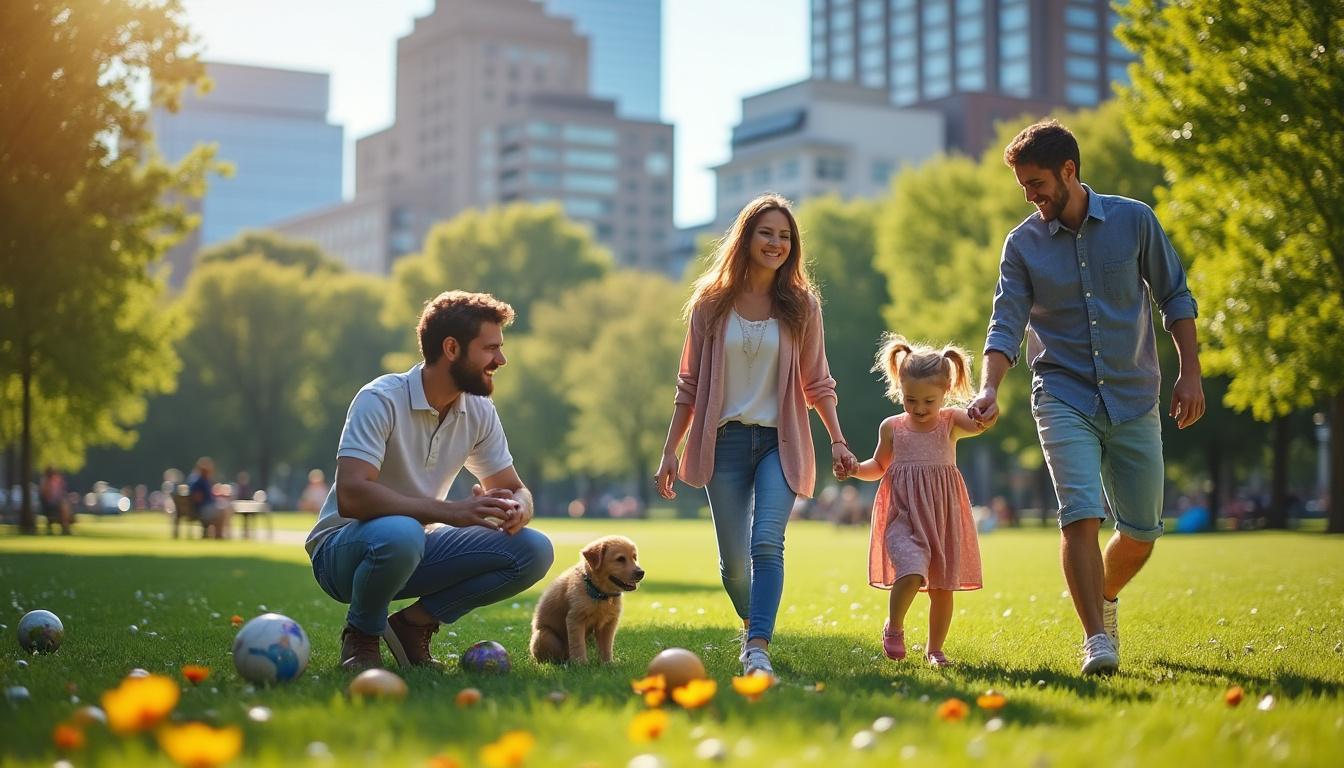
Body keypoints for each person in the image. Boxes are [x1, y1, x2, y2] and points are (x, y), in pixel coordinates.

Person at [968, 119, 1205, 675]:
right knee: (1080, 514)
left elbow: (1174, 295)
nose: (1030, 195)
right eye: (1023, 185)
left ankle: (1104, 594)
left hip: (1134, 393)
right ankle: (1096, 639)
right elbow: (1005, 323)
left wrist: (1190, 373)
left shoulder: (1134, 220)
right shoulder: (1022, 245)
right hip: (1062, 392)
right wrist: (989, 387)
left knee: (1141, 532)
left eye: (1036, 183)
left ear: (1069, 170)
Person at [654, 193, 859, 678]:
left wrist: (837, 438)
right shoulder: (710, 303)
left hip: (778, 444)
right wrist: (670, 449)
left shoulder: (802, 306)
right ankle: (752, 624)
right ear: (746, 237)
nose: (775, 243)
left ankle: (758, 647)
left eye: (785, 236)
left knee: (766, 542)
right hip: (721, 444)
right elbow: (688, 384)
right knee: (733, 565)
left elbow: (817, 381)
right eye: (766, 233)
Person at [306, 290, 554, 672]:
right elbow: (352, 496)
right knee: (402, 533)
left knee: (534, 550)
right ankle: (362, 633)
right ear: (451, 348)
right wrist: (448, 512)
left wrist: (519, 507)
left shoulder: (479, 410)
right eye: (490, 348)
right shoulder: (380, 399)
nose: (501, 360)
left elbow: (514, 487)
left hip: (413, 547)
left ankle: (413, 625)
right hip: (341, 553)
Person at [844, 336, 989, 667]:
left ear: (946, 391)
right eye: (911, 400)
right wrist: (854, 469)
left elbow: (978, 425)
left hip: (942, 518)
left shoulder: (951, 422)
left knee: (942, 589)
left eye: (928, 401)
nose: (920, 408)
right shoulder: (892, 428)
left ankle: (935, 649)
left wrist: (984, 414)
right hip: (905, 518)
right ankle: (894, 627)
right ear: (900, 388)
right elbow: (878, 466)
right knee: (910, 571)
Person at [188, 457, 232, 539]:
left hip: (206, 508)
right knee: (223, 509)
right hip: (202, 510)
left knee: (225, 506)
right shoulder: (198, 481)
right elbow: (198, 498)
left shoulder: (203, 480)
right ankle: (219, 534)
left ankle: (219, 534)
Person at [38, 467, 72, 535]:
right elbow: (44, 495)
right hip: (50, 504)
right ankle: (65, 527)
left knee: (64, 506)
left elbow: (63, 492)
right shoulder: (45, 482)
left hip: (57, 503)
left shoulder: (57, 481)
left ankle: (65, 527)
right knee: (64, 507)